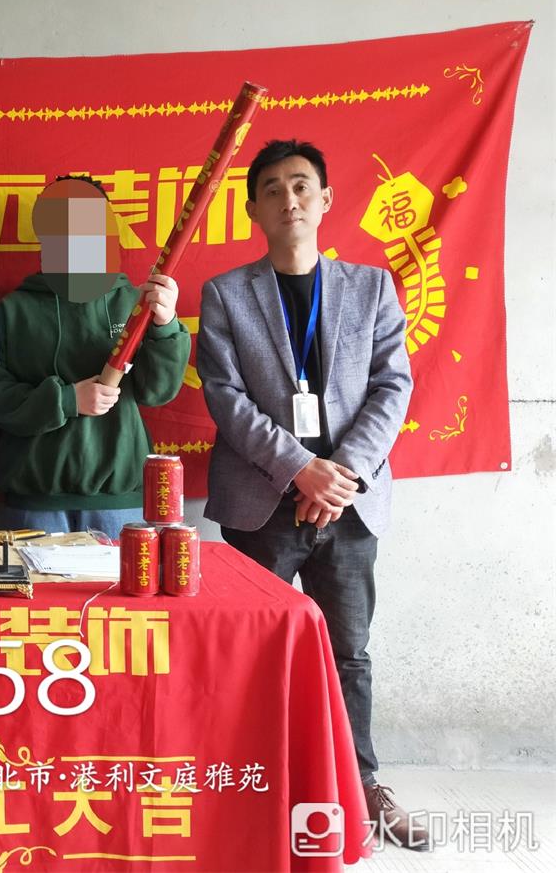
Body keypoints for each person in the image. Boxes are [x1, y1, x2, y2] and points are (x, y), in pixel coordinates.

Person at [196, 139, 427, 849]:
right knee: (251, 654)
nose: (288, 199)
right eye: (271, 189)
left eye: (301, 186)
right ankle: (253, 785)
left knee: (348, 653)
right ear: (253, 210)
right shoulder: (225, 294)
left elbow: (393, 386)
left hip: (350, 505)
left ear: (325, 200)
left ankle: (361, 787)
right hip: (263, 503)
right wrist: (301, 468)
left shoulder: (372, 287)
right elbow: (226, 398)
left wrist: (341, 472)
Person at [0, 175, 189, 538]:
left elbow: (158, 391)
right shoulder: (11, 311)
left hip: (119, 500)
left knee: (121, 580)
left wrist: (165, 324)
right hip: (36, 500)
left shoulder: (136, 304)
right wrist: (66, 400)